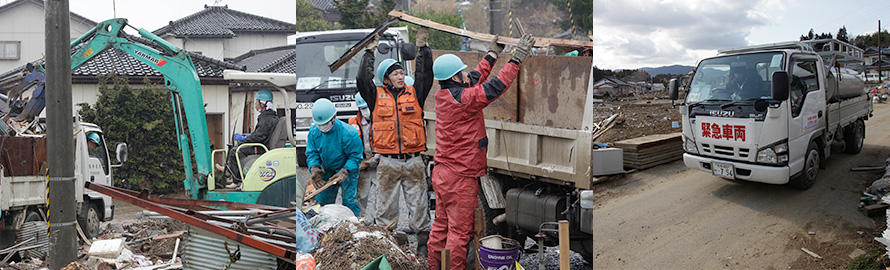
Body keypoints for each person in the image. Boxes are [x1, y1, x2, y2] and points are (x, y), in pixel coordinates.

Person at [427, 33, 535, 270]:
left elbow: (475, 77)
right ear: (454, 76)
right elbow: (495, 86)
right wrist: (516, 59)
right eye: (461, 72)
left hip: (443, 173)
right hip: (460, 177)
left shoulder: (445, 94)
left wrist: (493, 53)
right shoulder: (464, 99)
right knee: (459, 232)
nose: (465, 74)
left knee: (440, 226)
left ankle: (433, 267)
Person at [357, 27, 433, 256]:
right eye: (395, 73)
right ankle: (389, 252)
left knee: (420, 210)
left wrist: (423, 48)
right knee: (386, 212)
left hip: (414, 161)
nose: (401, 76)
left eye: (401, 72)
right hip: (388, 163)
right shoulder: (375, 96)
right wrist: (369, 53)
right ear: (386, 78)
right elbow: (362, 78)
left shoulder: (415, 93)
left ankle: (423, 251)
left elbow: (424, 74)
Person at [306, 98, 364, 216]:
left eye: (325, 123)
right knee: (323, 200)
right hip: (326, 169)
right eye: (320, 124)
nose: (323, 127)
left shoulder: (349, 133)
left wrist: (345, 171)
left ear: (334, 117)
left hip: (346, 168)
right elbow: (311, 153)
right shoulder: (313, 132)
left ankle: (354, 223)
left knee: (349, 200)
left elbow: (355, 156)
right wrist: (314, 168)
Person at [223, 89, 279, 188]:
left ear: (263, 104)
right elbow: (260, 133)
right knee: (238, 147)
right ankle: (229, 170)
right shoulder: (270, 117)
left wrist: (245, 139)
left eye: (257, 102)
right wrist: (248, 136)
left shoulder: (266, 119)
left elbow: (259, 136)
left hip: (261, 147)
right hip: (263, 144)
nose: (255, 105)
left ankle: (236, 180)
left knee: (235, 151)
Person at [348, 93, 379, 219]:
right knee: (361, 196)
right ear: (359, 109)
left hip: (379, 163)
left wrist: (376, 157)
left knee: (382, 195)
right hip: (363, 166)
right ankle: (358, 221)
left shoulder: (381, 121)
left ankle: (380, 223)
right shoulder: (353, 123)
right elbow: (351, 147)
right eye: (363, 108)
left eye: (368, 108)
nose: (367, 111)